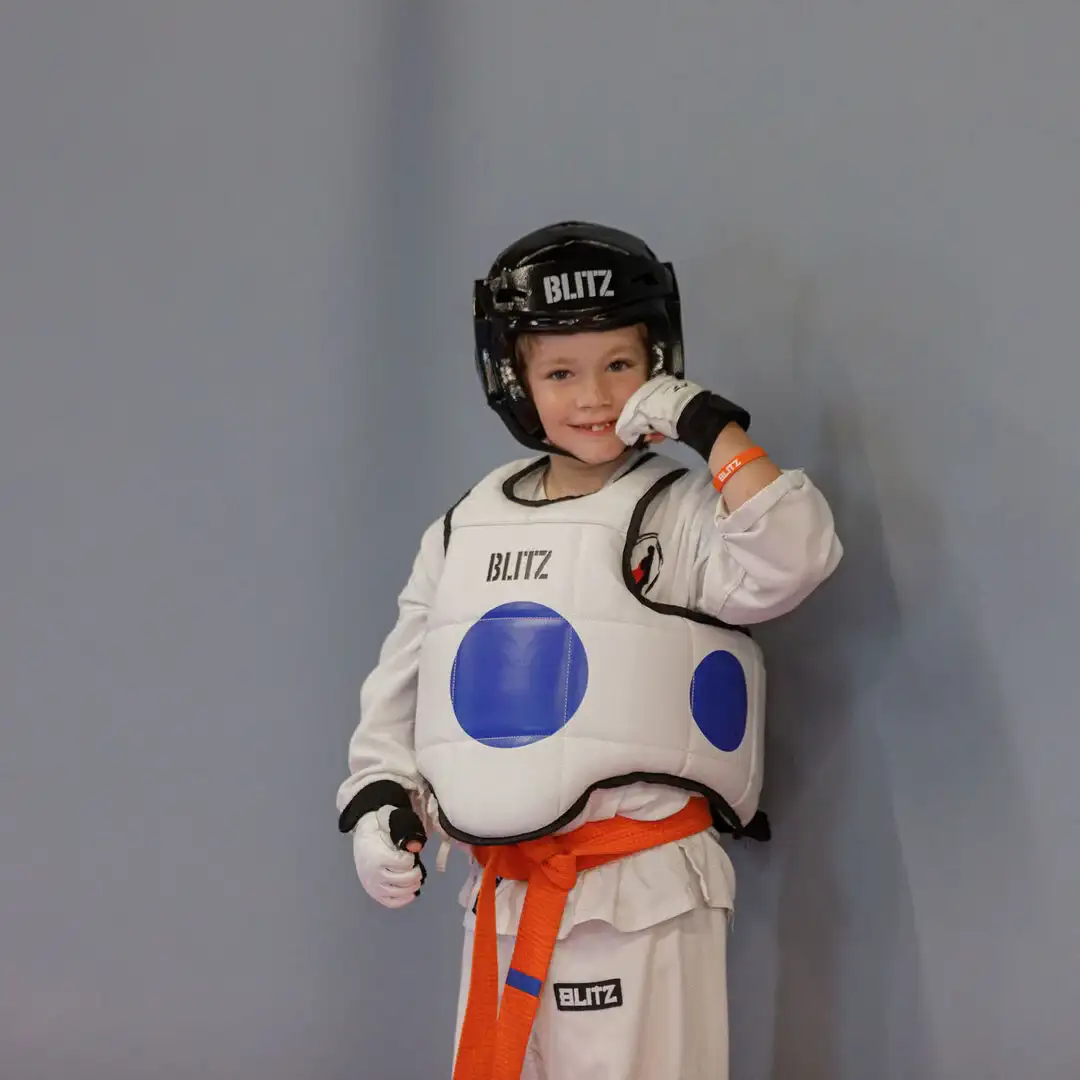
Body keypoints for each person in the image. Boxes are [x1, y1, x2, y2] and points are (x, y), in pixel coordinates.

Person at [336, 221, 843, 1079]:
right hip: (504, 895)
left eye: (620, 364)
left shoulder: (678, 514)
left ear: (660, 364)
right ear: (514, 381)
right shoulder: (466, 525)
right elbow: (406, 681)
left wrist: (711, 428)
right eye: (560, 372)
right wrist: (379, 794)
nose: (594, 395)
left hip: (641, 890)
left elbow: (796, 557)